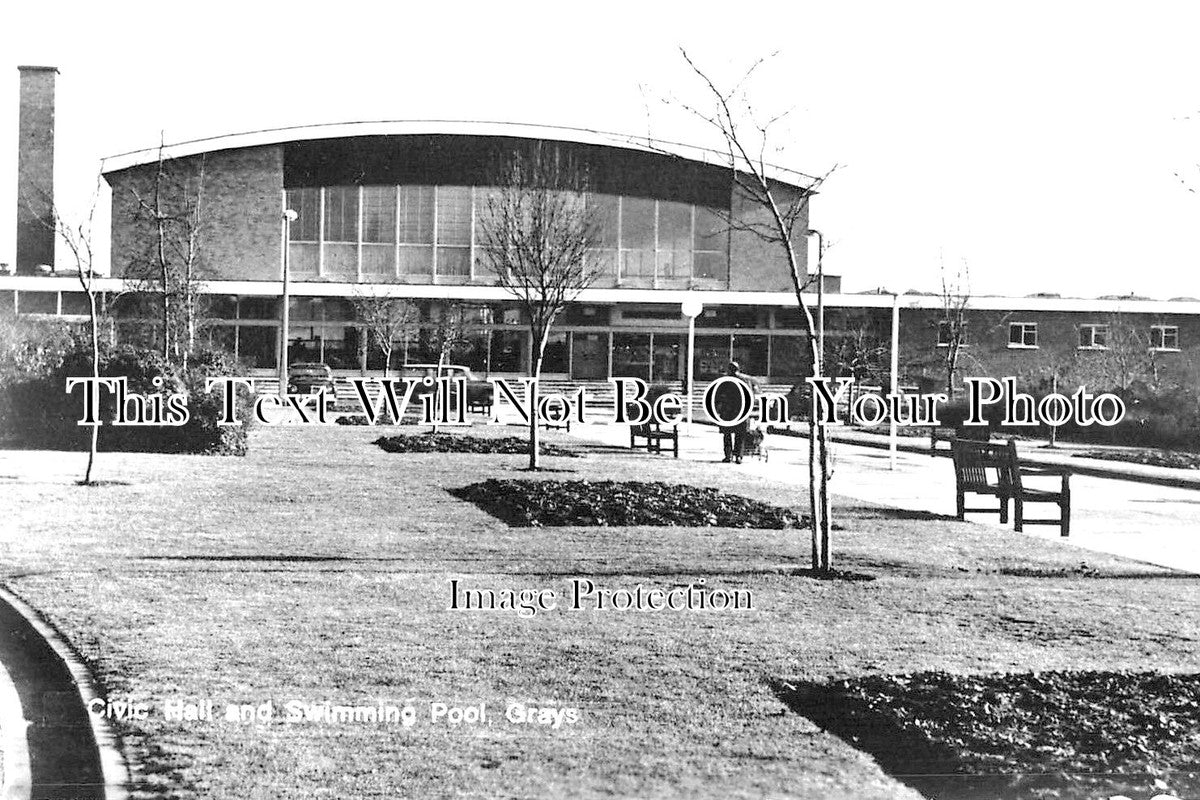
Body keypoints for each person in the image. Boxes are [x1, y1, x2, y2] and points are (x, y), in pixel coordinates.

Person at [713, 361, 758, 464]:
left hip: (728, 410)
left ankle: (728, 456)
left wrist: (718, 407)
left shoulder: (725, 380)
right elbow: (751, 395)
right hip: (740, 410)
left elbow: (718, 395)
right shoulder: (745, 380)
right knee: (740, 435)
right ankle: (738, 456)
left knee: (727, 434)